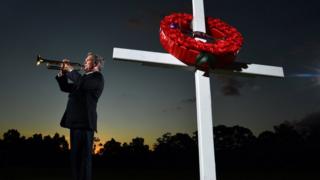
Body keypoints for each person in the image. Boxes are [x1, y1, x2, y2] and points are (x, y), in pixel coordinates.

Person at [55, 52, 104, 180]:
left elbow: (82, 83)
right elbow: (65, 87)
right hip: (74, 122)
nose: (84, 61)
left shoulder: (97, 78)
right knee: (75, 159)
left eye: (88, 60)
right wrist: (62, 73)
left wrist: (70, 69)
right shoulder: (81, 79)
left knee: (84, 160)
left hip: (85, 123)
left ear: (96, 64)